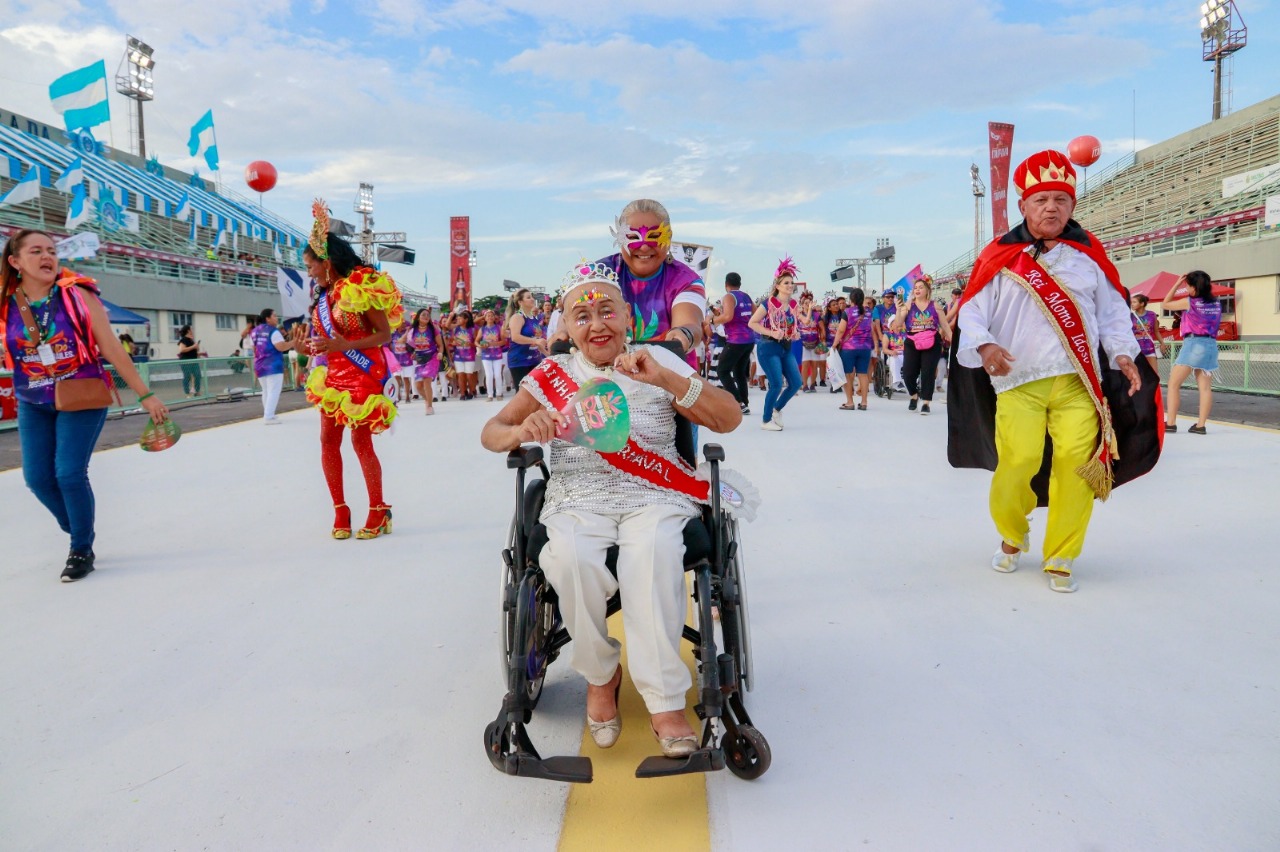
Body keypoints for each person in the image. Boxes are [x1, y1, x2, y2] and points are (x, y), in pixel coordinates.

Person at [480, 260, 743, 758]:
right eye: (582, 316)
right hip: (578, 496)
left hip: (655, 494)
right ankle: (601, 676)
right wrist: (522, 430)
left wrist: (666, 379)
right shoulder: (551, 373)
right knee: (568, 557)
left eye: (607, 311)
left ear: (626, 315)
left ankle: (665, 700)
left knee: (654, 550)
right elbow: (491, 432)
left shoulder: (657, 360)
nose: (596, 324)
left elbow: (728, 417)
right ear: (566, 325)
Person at [950, 150, 1155, 594]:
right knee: (1018, 461)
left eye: (1061, 200)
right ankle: (1012, 531)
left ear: (1072, 205)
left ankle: (1062, 554)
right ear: (1023, 205)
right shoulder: (1001, 257)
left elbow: (1113, 314)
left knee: (1077, 467)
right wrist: (984, 344)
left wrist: (1123, 353)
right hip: (1017, 380)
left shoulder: (1089, 256)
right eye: (1041, 199)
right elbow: (972, 312)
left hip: (1079, 384)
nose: (1051, 208)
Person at [1, 229, 169, 582]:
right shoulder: (6, 303)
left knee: (68, 473)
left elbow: (111, 347)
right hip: (33, 399)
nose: (47, 257)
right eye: (36, 251)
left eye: (51, 250)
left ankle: (81, 548)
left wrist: (145, 394)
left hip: (82, 394)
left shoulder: (77, 294)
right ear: (15, 261)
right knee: (37, 479)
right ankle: (79, 527)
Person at [298, 199, 404, 540]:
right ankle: (340, 510)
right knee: (327, 441)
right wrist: (305, 349)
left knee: (361, 442)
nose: (309, 272)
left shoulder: (360, 287)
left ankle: (378, 510)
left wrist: (344, 346)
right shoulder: (322, 297)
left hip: (362, 374)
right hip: (333, 376)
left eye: (310, 266)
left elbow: (384, 334)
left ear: (327, 262)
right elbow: (326, 342)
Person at [598, 198, 706, 364]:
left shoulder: (685, 280)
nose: (644, 247)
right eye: (633, 237)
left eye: (654, 236)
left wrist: (683, 335)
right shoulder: (600, 273)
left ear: (669, 238)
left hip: (669, 373)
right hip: (609, 374)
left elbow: (690, 321)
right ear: (620, 237)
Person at [747, 258, 803, 431]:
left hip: (786, 347)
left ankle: (776, 409)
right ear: (777, 285)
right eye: (786, 283)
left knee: (796, 382)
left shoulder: (793, 304)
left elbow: (792, 324)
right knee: (777, 384)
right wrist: (771, 332)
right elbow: (752, 323)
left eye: (791, 283)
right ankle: (765, 420)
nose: (790, 285)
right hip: (768, 347)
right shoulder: (768, 303)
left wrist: (795, 333)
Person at [1163, 270, 1220, 435]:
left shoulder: (1189, 302)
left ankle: (1171, 423)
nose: (1187, 289)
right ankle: (1201, 425)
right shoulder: (1216, 304)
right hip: (1211, 345)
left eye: (1187, 286)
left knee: (1174, 384)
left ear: (1194, 287)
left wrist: (1176, 284)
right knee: (1205, 388)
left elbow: (1165, 304)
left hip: (1194, 343)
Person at [892, 275, 952, 415]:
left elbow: (944, 325)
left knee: (928, 372)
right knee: (908, 373)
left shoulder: (935, 305)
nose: (917, 290)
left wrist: (952, 339)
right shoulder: (908, 305)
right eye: (915, 288)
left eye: (921, 287)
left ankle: (926, 402)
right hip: (912, 341)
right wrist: (898, 309)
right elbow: (898, 324)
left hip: (932, 341)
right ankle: (914, 395)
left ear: (927, 290)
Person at [710, 271, 755, 413]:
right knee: (739, 372)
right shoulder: (746, 296)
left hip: (736, 340)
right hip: (749, 339)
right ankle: (745, 403)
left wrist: (713, 320)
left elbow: (728, 316)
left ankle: (739, 402)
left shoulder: (729, 296)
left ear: (726, 284)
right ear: (739, 284)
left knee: (722, 371)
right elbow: (755, 313)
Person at [833, 287, 875, 410]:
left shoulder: (847, 312)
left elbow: (841, 330)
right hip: (865, 347)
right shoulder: (869, 312)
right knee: (863, 374)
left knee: (847, 374)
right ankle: (864, 402)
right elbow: (871, 328)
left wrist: (835, 344)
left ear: (851, 299)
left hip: (849, 348)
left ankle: (850, 402)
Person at [249, 308, 293, 424]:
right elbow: (281, 347)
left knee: (266, 390)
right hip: (273, 365)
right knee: (274, 390)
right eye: (274, 316)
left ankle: (269, 414)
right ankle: (268, 417)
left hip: (259, 364)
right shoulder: (273, 331)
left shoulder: (254, 331)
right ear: (267, 318)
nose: (276, 318)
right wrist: (293, 342)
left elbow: (254, 348)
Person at [505, 288, 547, 387]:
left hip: (535, 360)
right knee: (523, 392)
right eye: (528, 297)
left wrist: (547, 354)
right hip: (520, 361)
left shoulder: (534, 318)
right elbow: (515, 337)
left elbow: (537, 341)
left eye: (532, 297)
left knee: (537, 391)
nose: (532, 299)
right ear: (520, 302)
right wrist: (535, 341)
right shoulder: (517, 317)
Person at [872, 291, 904, 392]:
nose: (890, 298)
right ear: (883, 298)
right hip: (886, 334)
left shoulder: (896, 307)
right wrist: (881, 336)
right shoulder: (878, 308)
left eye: (892, 297)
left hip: (898, 333)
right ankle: (889, 383)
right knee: (887, 359)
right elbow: (877, 324)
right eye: (888, 297)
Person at [1129, 293, 1162, 375]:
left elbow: (1156, 331)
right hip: (1135, 349)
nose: (1132, 304)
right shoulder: (1130, 316)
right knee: (1137, 374)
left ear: (1142, 304)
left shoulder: (1152, 315)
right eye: (1131, 302)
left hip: (1149, 348)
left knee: (1154, 374)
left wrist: (1162, 343)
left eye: (1134, 302)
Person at [448, 309, 479, 400]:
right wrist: (451, 316)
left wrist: (470, 344)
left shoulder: (473, 329)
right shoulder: (456, 328)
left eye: (460, 318)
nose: (458, 320)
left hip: (470, 355)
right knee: (460, 374)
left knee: (469, 375)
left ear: (466, 320)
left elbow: (477, 342)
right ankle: (462, 393)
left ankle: (471, 391)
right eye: (457, 318)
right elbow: (448, 327)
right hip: (458, 355)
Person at [477, 308, 506, 401]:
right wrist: (480, 345)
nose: (490, 317)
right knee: (489, 375)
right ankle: (490, 395)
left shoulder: (499, 328)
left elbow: (504, 341)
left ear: (494, 317)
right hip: (486, 355)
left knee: (497, 375)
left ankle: (499, 393)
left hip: (497, 354)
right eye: (488, 316)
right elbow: (476, 341)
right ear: (485, 318)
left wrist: (493, 344)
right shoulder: (482, 329)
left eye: (492, 316)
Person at [796, 291, 822, 392]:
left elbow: (822, 328)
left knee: (815, 364)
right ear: (802, 304)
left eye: (809, 302)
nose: (807, 304)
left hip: (816, 343)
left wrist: (823, 341)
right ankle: (805, 385)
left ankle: (812, 384)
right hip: (803, 343)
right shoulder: (799, 315)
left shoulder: (816, 315)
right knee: (805, 364)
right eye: (805, 303)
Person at [176, 323, 201, 397]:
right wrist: (193, 347)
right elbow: (182, 350)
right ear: (188, 330)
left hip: (194, 361)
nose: (192, 331)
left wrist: (197, 348)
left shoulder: (191, 340)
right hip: (185, 361)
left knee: (198, 375)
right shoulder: (183, 340)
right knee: (187, 376)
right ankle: (187, 393)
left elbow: (194, 350)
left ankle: (197, 391)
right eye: (191, 329)